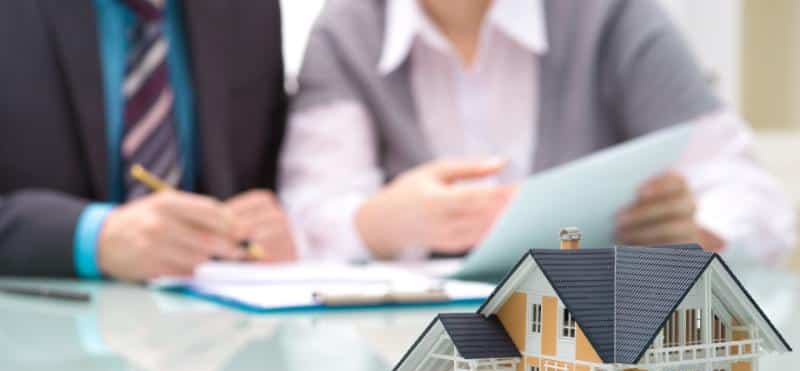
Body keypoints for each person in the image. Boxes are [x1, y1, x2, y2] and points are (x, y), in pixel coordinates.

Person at [279, 0, 795, 264]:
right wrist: (379, 224)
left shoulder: (613, 16)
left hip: (600, 349)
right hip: (405, 361)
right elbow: (307, 214)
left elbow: (749, 194)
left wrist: (697, 234)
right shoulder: (344, 32)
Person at [0, 0, 296, 281]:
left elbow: (266, 182)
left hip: (208, 321)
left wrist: (270, 231)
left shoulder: (251, 12)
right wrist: (95, 236)